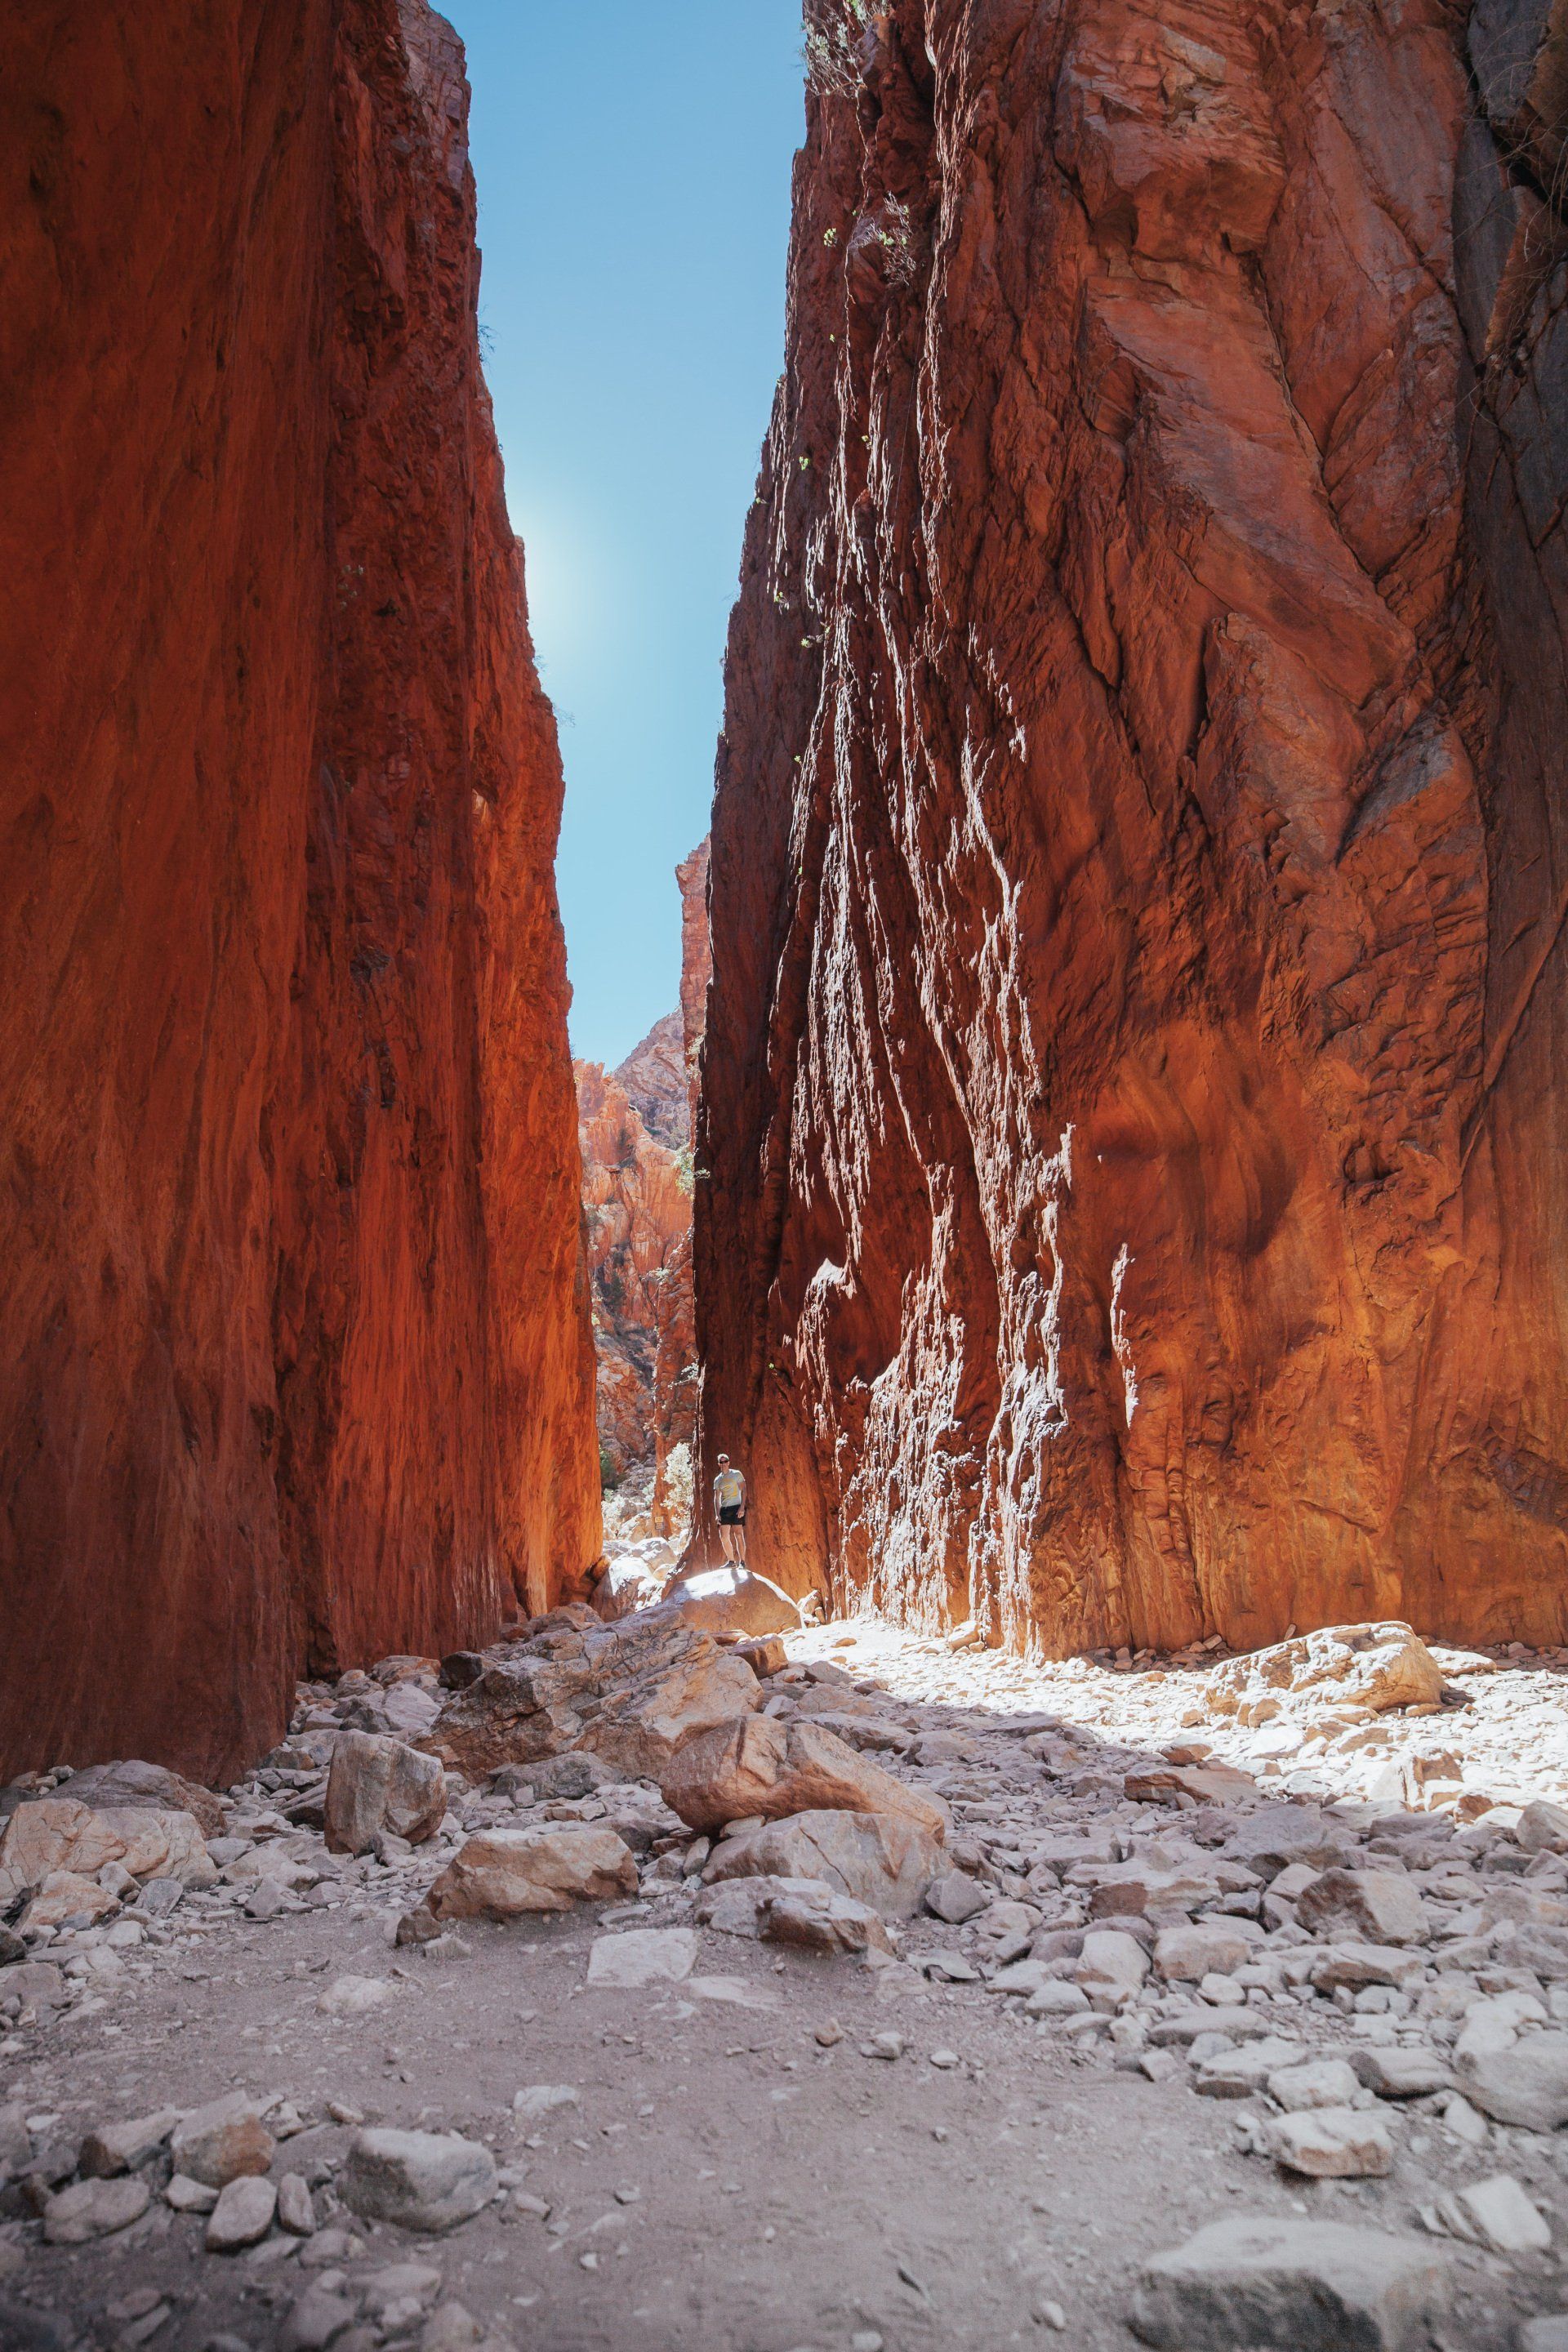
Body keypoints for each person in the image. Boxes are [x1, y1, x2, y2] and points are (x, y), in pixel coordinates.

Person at [713, 1453, 747, 1566]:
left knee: (738, 1534)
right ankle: (731, 1561)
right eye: (721, 1462)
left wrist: (742, 1507)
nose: (723, 1464)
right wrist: (718, 1514)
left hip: (736, 1507)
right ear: (719, 1464)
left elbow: (744, 1490)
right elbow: (716, 1498)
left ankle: (742, 1562)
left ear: (728, 1462)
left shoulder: (736, 1474)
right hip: (725, 1509)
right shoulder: (718, 1480)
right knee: (723, 1537)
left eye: (725, 1461)